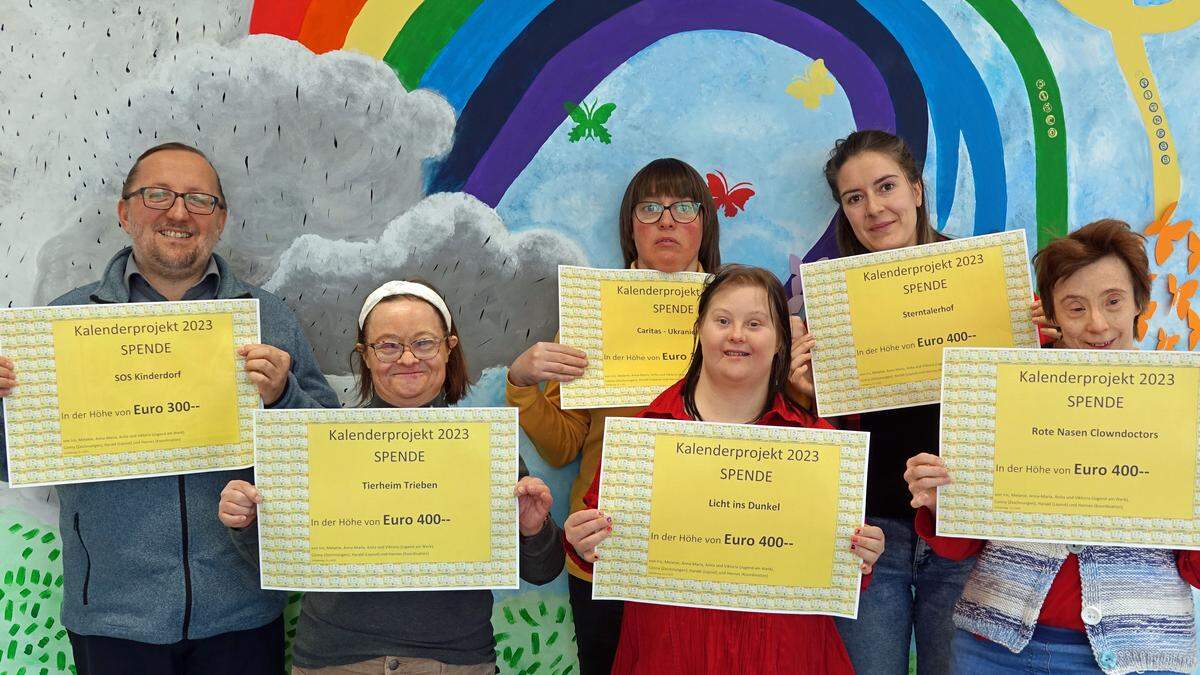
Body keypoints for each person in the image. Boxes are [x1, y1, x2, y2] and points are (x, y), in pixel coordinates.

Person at [0, 142, 340, 675]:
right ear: (124, 211)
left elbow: (326, 455)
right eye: (157, 194)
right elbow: (13, 463)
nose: (179, 212)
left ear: (220, 219)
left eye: (200, 200)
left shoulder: (266, 318)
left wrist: (283, 396)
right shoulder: (63, 323)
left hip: (243, 616)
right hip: (112, 620)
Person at [219, 279, 565, 674]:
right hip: (334, 661)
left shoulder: (485, 445)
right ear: (364, 356)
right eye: (388, 345)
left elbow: (543, 569)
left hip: (455, 662)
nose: (407, 359)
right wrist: (246, 522)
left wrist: (532, 529)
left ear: (449, 349)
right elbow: (276, 563)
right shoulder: (322, 444)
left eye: (423, 343)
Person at [806, 130, 1053, 674]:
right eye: (854, 197)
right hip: (869, 533)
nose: (873, 207)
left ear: (916, 190)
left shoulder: (988, 284)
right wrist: (805, 389)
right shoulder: (829, 302)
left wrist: (1040, 345)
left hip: (966, 528)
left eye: (886, 186)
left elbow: (1032, 415)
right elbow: (818, 431)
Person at [905, 219, 1199, 674]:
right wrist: (940, 501)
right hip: (996, 652)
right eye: (1075, 307)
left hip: (1140, 654)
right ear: (1052, 314)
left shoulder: (1185, 406)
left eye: (1113, 301)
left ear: (1141, 301)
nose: (1097, 323)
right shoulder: (1005, 395)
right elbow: (959, 547)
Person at [565, 264, 884, 674]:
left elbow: (840, 576)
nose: (737, 335)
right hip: (672, 653)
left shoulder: (818, 443)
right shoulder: (643, 436)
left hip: (782, 656)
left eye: (755, 323)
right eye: (722, 320)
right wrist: (584, 542)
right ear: (699, 330)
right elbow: (600, 552)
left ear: (779, 343)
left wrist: (861, 554)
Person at [505, 157, 720, 674]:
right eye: (650, 208)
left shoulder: (741, 311)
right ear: (631, 226)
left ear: (704, 223)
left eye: (683, 206)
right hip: (608, 541)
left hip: (713, 536)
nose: (666, 221)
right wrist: (522, 385)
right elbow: (562, 448)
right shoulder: (592, 310)